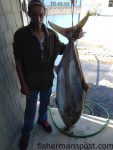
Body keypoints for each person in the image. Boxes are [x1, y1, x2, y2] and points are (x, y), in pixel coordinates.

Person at [13, 0, 87, 149]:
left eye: (40, 14)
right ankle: (26, 132)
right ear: (28, 14)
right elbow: (18, 60)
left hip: (47, 80)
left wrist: (73, 39)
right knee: (30, 109)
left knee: (45, 104)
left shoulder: (52, 35)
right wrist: (23, 83)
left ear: (44, 13)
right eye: (34, 15)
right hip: (31, 82)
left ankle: (42, 120)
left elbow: (62, 49)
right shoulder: (20, 35)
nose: (38, 19)